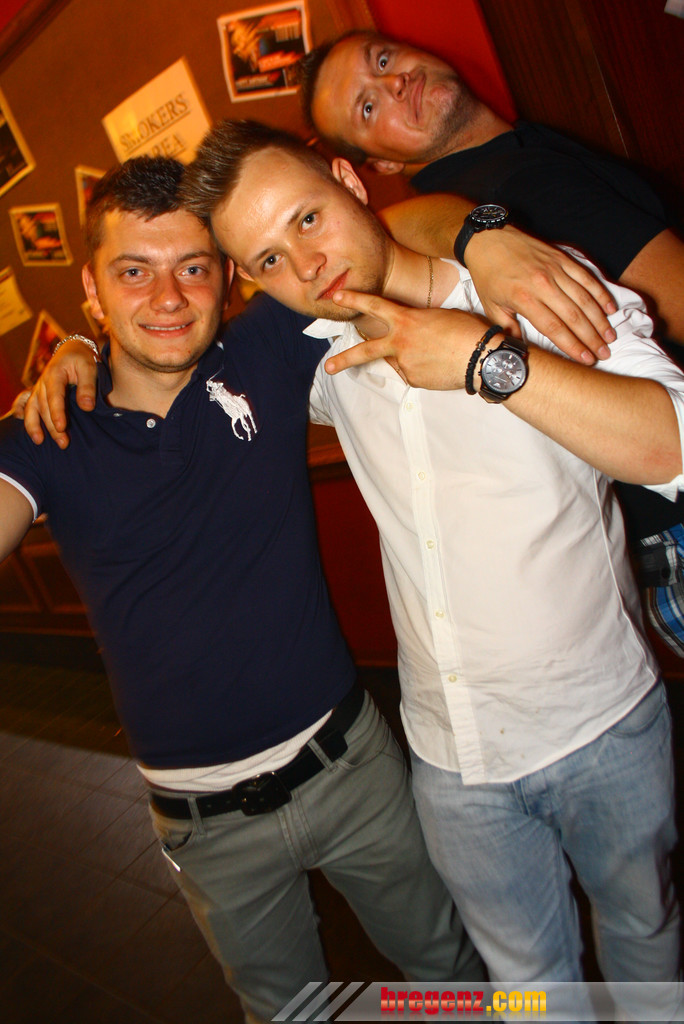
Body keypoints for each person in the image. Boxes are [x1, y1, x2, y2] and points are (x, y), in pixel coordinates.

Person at [34, 122, 684, 1002]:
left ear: (349, 179)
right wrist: (78, 348)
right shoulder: (315, 355)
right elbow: (170, 353)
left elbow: (673, 446)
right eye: (267, 259)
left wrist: (485, 344)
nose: (306, 266)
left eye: (308, 218)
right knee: (523, 984)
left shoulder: (531, 288)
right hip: (451, 761)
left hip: (602, 719)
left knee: (645, 931)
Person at [0, 156, 489, 1024]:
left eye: (193, 266)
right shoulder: (48, 431)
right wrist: (73, 352)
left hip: (353, 769)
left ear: (227, 276)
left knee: (446, 971)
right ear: (91, 288)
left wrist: (492, 237)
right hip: (206, 824)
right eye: (133, 271)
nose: (168, 297)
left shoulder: (262, 347)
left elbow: (380, 235)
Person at [299, 28, 684, 658]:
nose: (395, 83)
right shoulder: (507, 189)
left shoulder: (511, 164)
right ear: (379, 166)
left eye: (383, 60)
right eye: (368, 107)